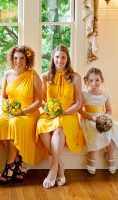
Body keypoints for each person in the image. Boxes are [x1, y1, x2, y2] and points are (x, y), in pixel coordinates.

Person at [0, 45, 48, 184]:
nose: (19, 61)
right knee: (1, 122)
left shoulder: (33, 75)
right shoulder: (7, 74)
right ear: (12, 59)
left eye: (22, 58)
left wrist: (22, 111)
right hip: (11, 111)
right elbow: (4, 97)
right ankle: (17, 162)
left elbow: (38, 101)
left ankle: (10, 164)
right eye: (16, 58)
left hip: (28, 111)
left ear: (27, 59)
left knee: (15, 123)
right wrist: (8, 107)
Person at [36, 45, 85, 189]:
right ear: (53, 58)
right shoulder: (45, 76)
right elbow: (41, 99)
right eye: (57, 57)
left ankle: (53, 169)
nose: (60, 60)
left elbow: (78, 103)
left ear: (67, 59)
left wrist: (63, 112)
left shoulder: (75, 77)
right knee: (42, 128)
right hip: (50, 112)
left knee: (58, 130)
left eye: (63, 57)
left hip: (68, 113)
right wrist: (48, 108)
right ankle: (59, 165)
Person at [79, 67, 118, 174]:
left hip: (102, 117)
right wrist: (93, 118)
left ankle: (110, 157)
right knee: (95, 131)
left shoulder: (105, 95)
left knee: (110, 131)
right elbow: (80, 110)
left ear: (101, 80)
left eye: (97, 80)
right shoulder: (84, 94)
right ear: (87, 81)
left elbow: (109, 110)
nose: (94, 83)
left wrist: (105, 117)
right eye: (91, 80)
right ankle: (92, 156)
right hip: (89, 118)